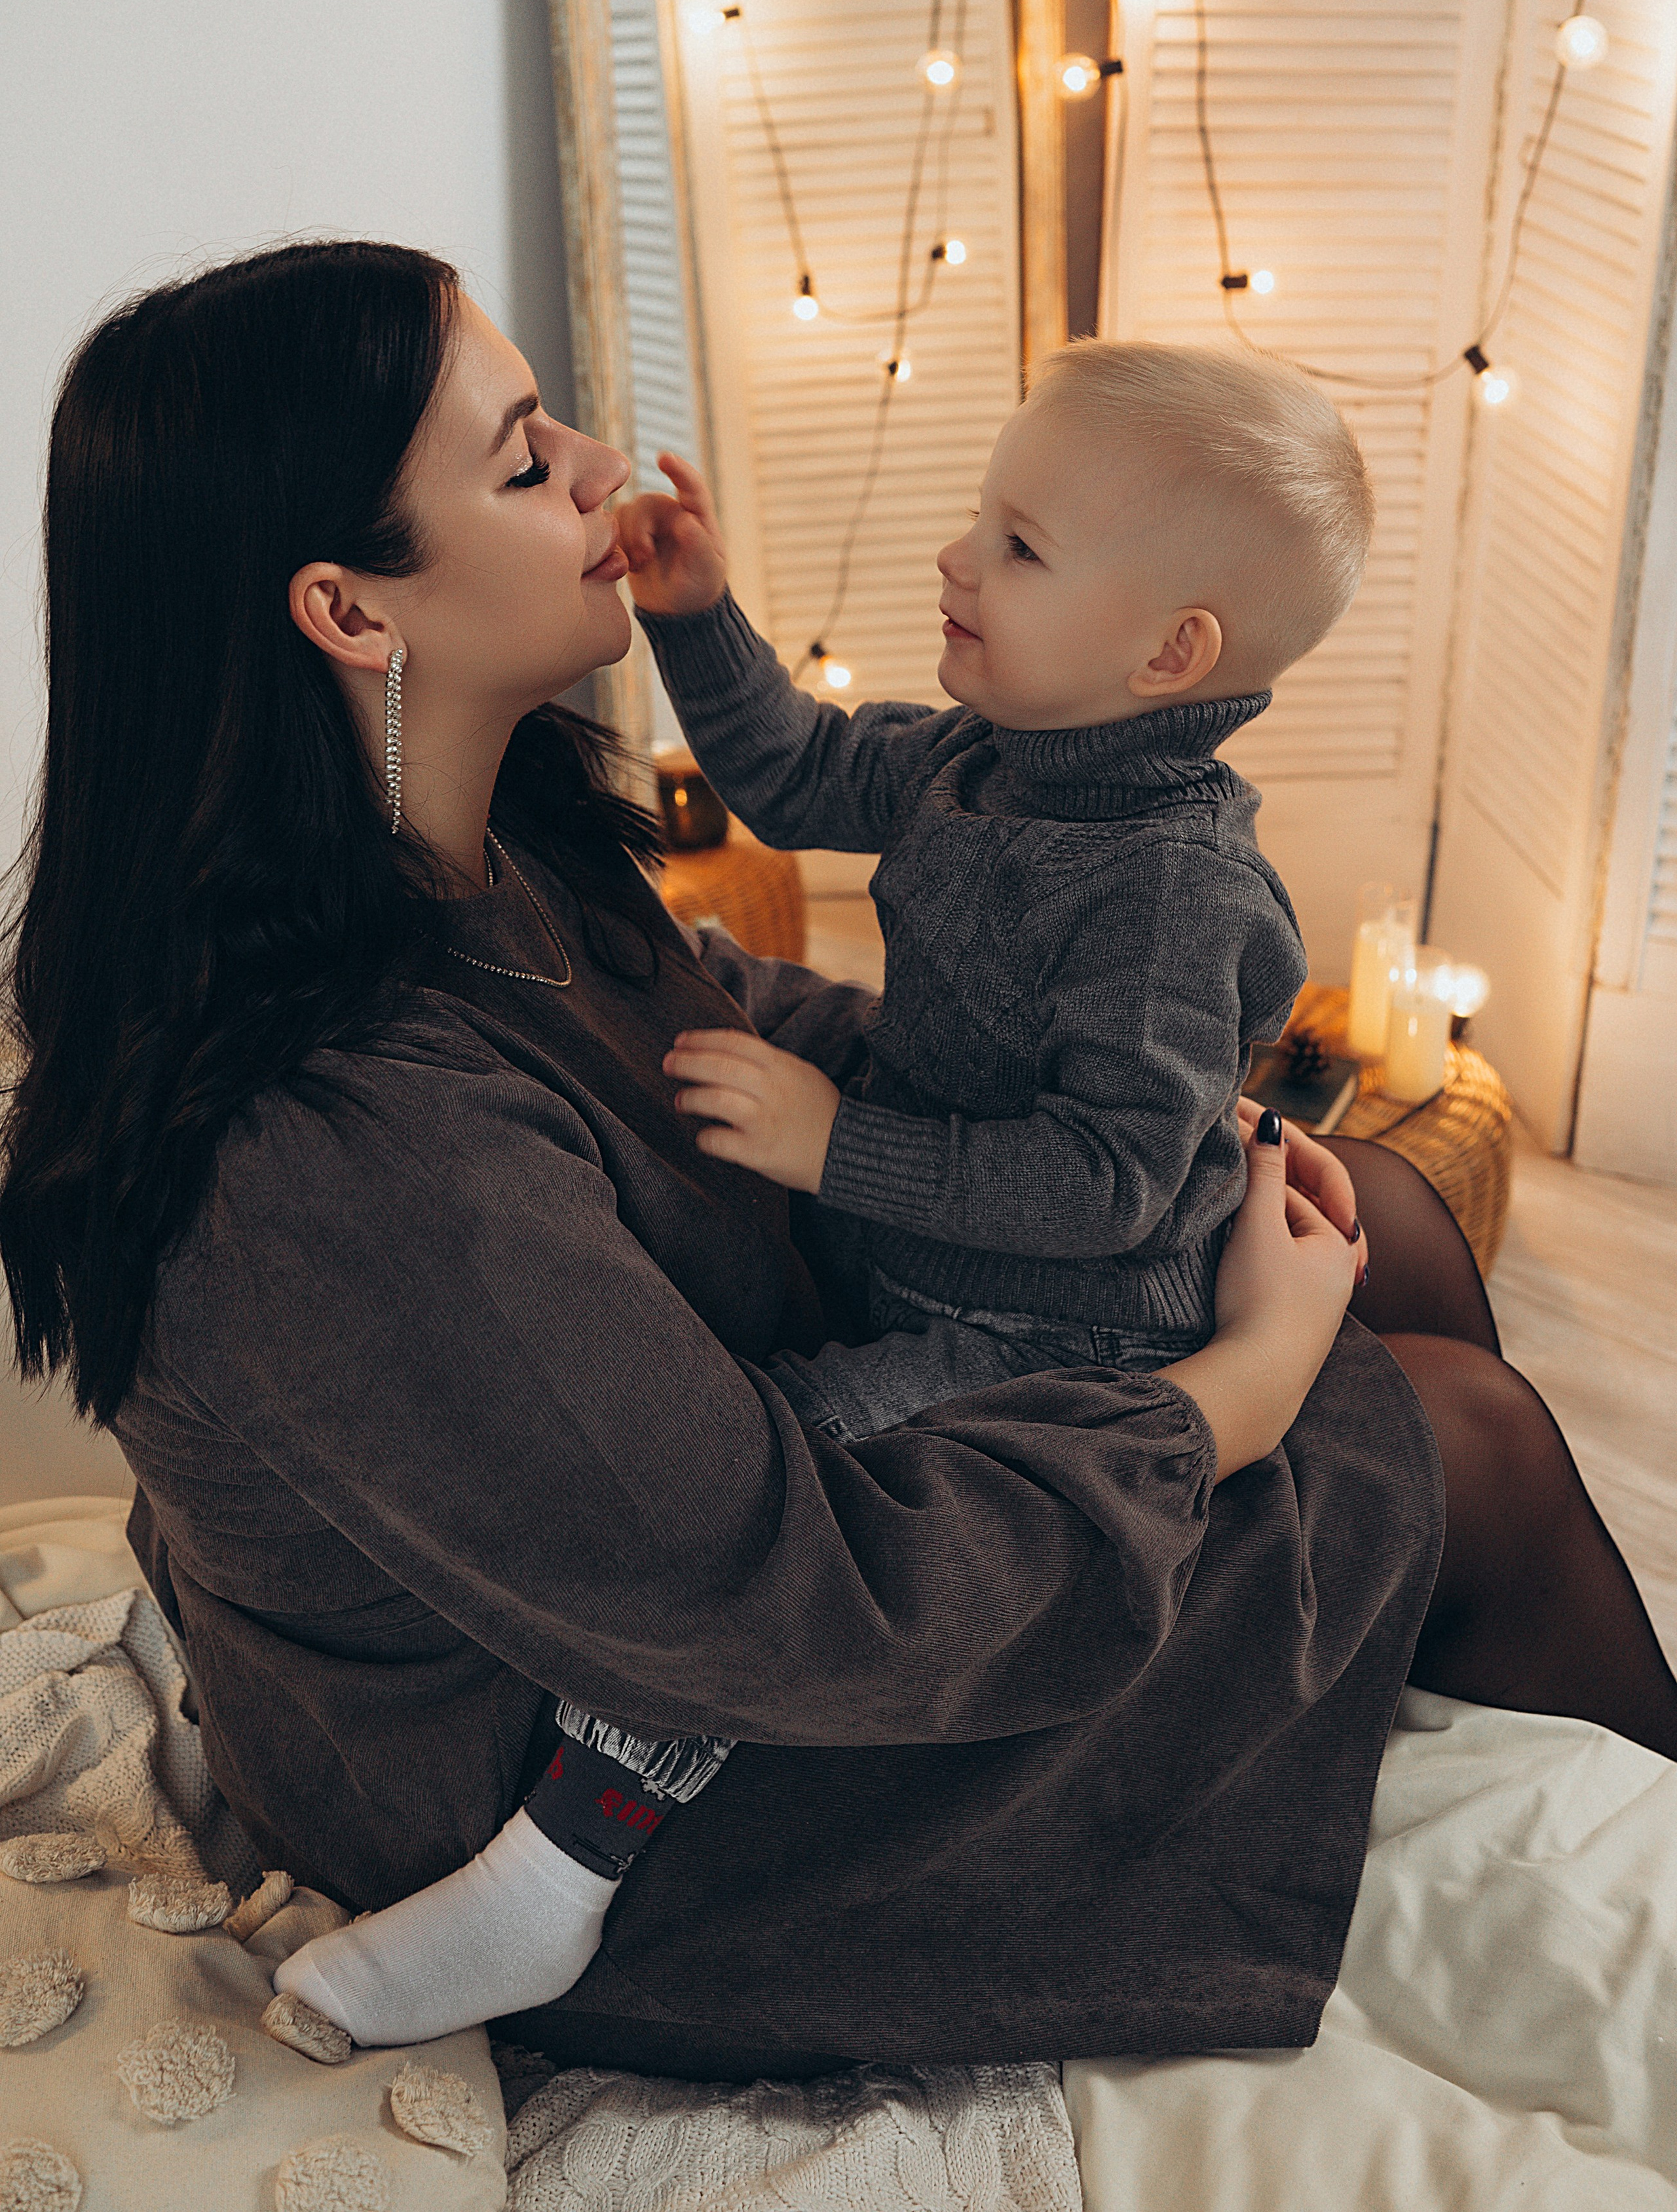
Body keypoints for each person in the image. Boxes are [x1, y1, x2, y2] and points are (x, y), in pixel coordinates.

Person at [4, 241, 1673, 2086]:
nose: (593, 469)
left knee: (1398, 1221)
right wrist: (1244, 1390)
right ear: (349, 609)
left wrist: (1187, 1127)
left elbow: (738, 1019)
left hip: (698, 1572)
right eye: (517, 458)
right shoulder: (335, 1152)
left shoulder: (486, 851)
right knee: (1469, 1440)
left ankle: (1419, 1692)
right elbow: (780, 1598)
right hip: (621, 1795)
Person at [275, 337, 1380, 2043]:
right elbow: (791, 772)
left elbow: (1101, 1188)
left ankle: (565, 1859)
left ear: (1172, 652)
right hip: (933, 1237)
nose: (955, 558)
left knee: (825, 1444)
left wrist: (826, 1141)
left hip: (1041, 1317)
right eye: (981, 518)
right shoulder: (983, 756)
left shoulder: (1170, 886)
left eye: (1018, 545)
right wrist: (697, 616)